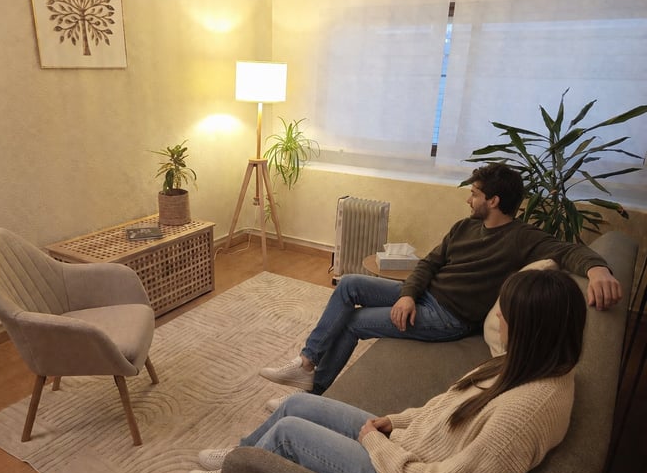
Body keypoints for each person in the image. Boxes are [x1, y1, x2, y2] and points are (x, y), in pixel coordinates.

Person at [185, 269, 587, 473]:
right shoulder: (528, 363)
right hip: (407, 453)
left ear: (534, 327)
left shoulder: (526, 412)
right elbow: (443, 409)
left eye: (506, 314)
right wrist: (394, 423)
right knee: (296, 405)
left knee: (289, 433)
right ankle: (243, 458)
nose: (499, 320)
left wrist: (374, 442)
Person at [258, 163, 621, 396]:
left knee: (354, 322)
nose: (468, 199)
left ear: (493, 201)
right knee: (350, 283)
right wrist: (408, 296)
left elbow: (569, 250)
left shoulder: (522, 238)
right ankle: (307, 362)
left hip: (449, 318)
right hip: (425, 298)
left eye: (475, 194)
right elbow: (429, 263)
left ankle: (314, 390)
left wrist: (598, 269)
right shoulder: (465, 227)